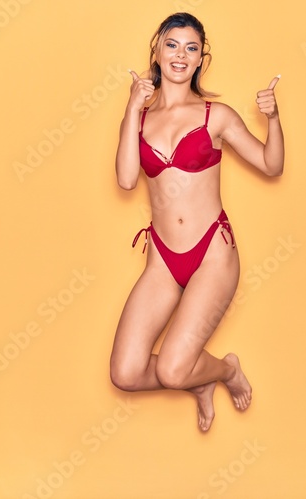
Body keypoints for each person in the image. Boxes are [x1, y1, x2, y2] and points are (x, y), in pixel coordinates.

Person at [110, 12, 284, 432]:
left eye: (191, 48)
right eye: (172, 44)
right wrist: (132, 109)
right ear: (157, 49)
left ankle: (224, 371)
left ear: (201, 59)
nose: (180, 55)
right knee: (125, 373)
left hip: (212, 255)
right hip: (163, 260)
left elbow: (270, 165)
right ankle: (199, 380)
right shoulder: (140, 118)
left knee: (171, 369)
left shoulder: (216, 116)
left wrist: (274, 118)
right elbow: (127, 179)